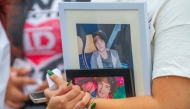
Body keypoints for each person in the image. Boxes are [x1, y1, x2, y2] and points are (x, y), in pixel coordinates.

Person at [45, 0, 190, 109]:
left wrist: (80, 102)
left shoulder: (176, 5)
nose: (99, 44)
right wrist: (64, 91)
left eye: (101, 41)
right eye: (96, 42)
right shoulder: (95, 56)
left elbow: (170, 105)